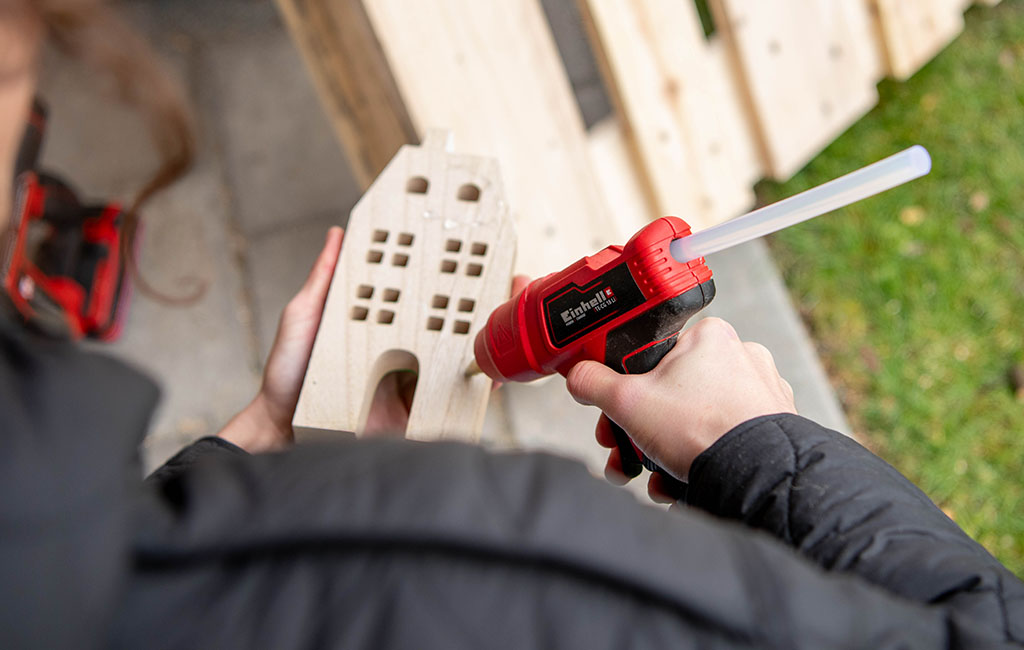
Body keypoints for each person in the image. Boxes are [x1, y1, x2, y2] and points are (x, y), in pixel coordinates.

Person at [2, 2, 1022, 649]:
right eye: (19, 88)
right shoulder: (477, 573)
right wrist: (763, 452)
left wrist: (265, 433)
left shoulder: (64, 553)